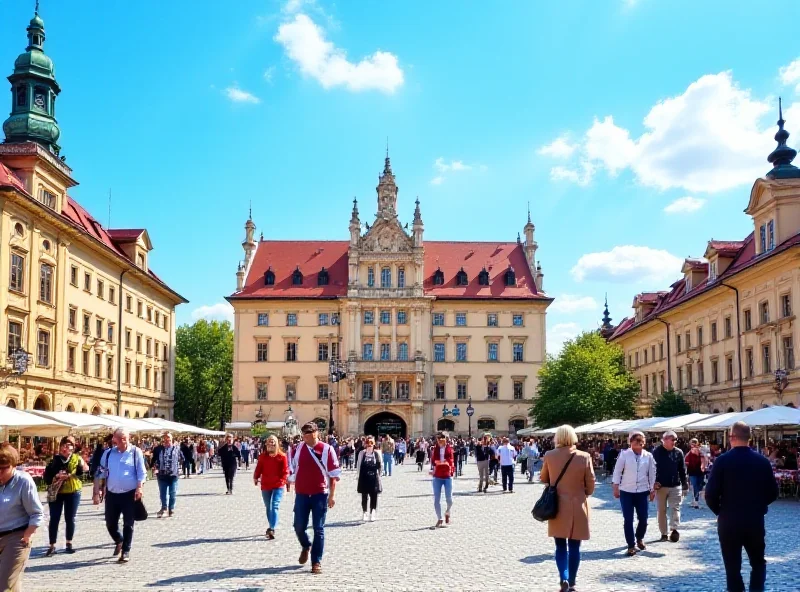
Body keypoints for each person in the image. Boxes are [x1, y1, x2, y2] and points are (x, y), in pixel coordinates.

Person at [705, 421, 779, 592]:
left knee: (732, 568)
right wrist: (759, 505)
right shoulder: (762, 461)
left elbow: (710, 495)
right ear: (750, 438)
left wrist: (720, 511)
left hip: (729, 520)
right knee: (758, 563)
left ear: (731, 437)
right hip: (754, 520)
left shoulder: (722, 461)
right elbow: (773, 492)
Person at [540, 425, 596, 592]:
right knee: (574, 546)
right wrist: (583, 493)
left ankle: (563, 577)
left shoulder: (550, 455)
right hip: (578, 505)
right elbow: (591, 483)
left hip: (557, 506)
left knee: (560, 546)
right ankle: (572, 582)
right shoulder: (584, 457)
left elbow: (544, 478)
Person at [287, 422, 341, 574]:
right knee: (298, 526)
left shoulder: (326, 449)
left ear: (317, 433)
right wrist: (289, 480)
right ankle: (306, 545)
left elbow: (333, 474)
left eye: (310, 432)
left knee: (319, 528)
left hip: (319, 493)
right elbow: (293, 467)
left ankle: (316, 561)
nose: (307, 435)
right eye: (305, 432)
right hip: (302, 493)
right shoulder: (298, 449)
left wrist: (332, 495)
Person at [93, 427, 146, 563]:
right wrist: (96, 491)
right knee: (110, 523)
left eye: (114, 438)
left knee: (128, 523)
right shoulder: (108, 453)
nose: (112, 440)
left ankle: (125, 551)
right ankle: (119, 540)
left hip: (129, 494)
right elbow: (100, 472)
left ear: (123, 439)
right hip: (112, 494)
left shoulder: (135, 452)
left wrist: (139, 488)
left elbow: (141, 472)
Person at [0, 443, 43, 592]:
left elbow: (36, 513)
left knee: (3, 586)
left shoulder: (23, 481)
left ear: (13, 465)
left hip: (16, 537)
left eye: (3, 469)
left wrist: (27, 534)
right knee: (13, 584)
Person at [612, 431, 656, 556]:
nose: (639, 444)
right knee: (628, 519)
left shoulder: (648, 456)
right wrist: (615, 486)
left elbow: (652, 473)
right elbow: (617, 471)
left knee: (643, 518)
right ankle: (631, 545)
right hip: (626, 491)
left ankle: (639, 537)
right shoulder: (624, 455)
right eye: (636, 441)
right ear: (631, 442)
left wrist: (652, 489)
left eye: (641, 442)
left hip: (642, 491)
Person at [43, 436, 86, 556]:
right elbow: (46, 478)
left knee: (70, 518)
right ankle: (52, 545)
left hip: (73, 492)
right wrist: (56, 476)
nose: (66, 448)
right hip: (56, 492)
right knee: (54, 518)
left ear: (73, 448)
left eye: (69, 445)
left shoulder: (77, 459)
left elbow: (82, 474)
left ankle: (68, 543)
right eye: (63, 445)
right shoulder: (53, 460)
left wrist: (74, 472)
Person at [652, 430, 688, 542]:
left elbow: (682, 469)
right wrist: (653, 482)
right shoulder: (656, 452)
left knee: (675, 507)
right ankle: (663, 533)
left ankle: (674, 529)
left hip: (675, 485)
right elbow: (651, 469)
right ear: (665, 439)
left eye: (676, 439)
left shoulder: (678, 452)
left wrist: (685, 484)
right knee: (661, 510)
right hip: (661, 486)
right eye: (673, 439)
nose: (675, 442)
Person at [253, 435, 289, 539]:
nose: (271, 444)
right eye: (269, 442)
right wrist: (256, 477)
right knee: (268, 506)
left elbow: (285, 471)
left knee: (274, 505)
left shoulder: (282, 456)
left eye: (273, 442)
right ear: (266, 444)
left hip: (278, 485)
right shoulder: (263, 456)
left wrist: (282, 481)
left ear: (277, 443)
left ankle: (272, 528)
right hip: (266, 484)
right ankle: (271, 525)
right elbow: (259, 468)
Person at [150, 432, 183, 518]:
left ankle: (171, 509)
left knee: (173, 493)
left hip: (173, 475)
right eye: (165, 438)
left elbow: (182, 458)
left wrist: (178, 468)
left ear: (172, 439)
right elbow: (154, 459)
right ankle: (164, 508)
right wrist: (153, 467)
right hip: (162, 475)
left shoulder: (177, 449)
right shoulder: (158, 449)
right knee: (162, 493)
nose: (166, 440)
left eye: (168, 438)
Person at [430, 433, 454, 528]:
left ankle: (447, 511)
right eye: (438, 439)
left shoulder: (449, 449)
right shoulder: (435, 449)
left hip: (447, 476)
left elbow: (450, 461)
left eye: (442, 438)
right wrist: (441, 463)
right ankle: (440, 518)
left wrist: (442, 463)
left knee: (450, 499)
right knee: (437, 499)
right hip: (437, 476)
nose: (440, 440)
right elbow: (434, 461)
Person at [356, 436, 383, 521]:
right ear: (365, 444)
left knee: (374, 496)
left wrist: (380, 475)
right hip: (364, 477)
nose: (369, 445)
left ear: (374, 444)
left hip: (374, 477)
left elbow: (381, 465)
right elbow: (359, 465)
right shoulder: (361, 453)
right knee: (364, 496)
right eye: (368, 442)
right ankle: (365, 512)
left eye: (371, 443)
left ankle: (373, 512)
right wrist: (358, 475)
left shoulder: (377, 453)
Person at [685, 438, 707, 509]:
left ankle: (696, 500)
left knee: (699, 486)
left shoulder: (701, 452)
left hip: (700, 472)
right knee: (695, 486)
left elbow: (705, 460)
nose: (693, 445)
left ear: (697, 444)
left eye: (695, 443)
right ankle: (696, 501)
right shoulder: (689, 454)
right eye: (692, 444)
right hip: (692, 472)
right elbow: (686, 462)